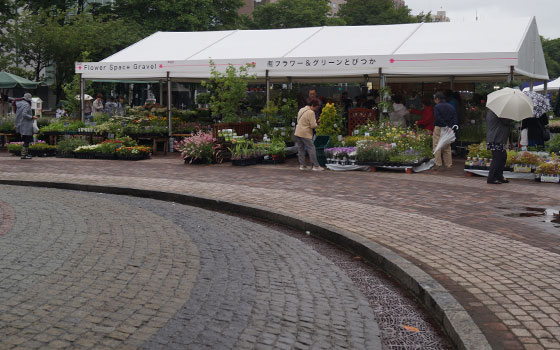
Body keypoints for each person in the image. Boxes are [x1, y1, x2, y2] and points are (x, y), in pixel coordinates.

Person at [295, 98, 324, 171]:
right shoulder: (311, 112)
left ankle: (302, 165)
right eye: (316, 107)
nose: (316, 109)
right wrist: (318, 124)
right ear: (313, 105)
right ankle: (316, 166)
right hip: (305, 133)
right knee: (311, 148)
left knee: (300, 149)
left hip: (298, 131)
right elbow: (313, 125)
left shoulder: (301, 109)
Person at [433, 92, 458, 170]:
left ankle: (438, 164)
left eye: (435, 99)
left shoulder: (437, 106)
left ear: (437, 99)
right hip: (448, 129)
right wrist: (450, 126)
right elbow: (454, 117)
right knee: (447, 147)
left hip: (439, 127)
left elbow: (438, 118)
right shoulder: (451, 106)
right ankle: (448, 164)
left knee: (437, 146)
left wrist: (444, 124)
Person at [486, 109, 511, 184]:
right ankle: (491, 178)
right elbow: (506, 121)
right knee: (497, 158)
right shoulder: (499, 111)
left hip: (497, 138)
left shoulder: (494, 110)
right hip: (496, 138)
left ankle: (499, 176)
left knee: (503, 156)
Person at [14, 93, 38, 160]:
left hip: (21, 124)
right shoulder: (26, 105)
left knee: (26, 140)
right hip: (27, 125)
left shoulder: (20, 104)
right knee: (27, 140)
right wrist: (32, 117)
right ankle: (24, 155)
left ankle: (25, 154)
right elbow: (24, 114)